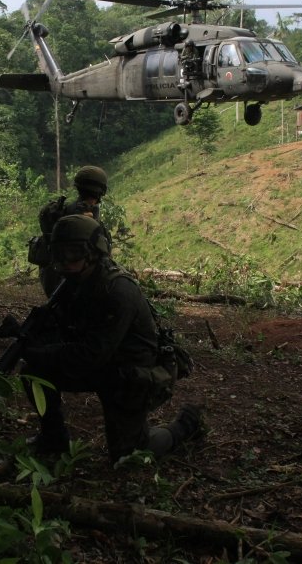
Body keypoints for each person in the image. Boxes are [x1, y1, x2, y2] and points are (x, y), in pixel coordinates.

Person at [19, 214, 202, 465]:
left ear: (93, 252)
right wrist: (28, 335)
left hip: (130, 372)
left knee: (130, 455)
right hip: (104, 363)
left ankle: (186, 424)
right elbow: (68, 330)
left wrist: (36, 351)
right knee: (34, 372)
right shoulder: (75, 280)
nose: (62, 263)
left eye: (72, 254)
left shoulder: (117, 290)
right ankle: (53, 438)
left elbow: (89, 354)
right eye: (57, 254)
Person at [33, 165, 111, 297]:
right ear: (100, 191)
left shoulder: (65, 210)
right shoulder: (84, 217)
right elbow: (104, 253)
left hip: (54, 279)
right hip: (71, 281)